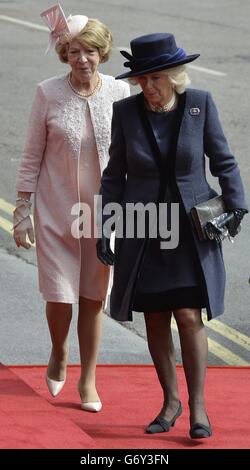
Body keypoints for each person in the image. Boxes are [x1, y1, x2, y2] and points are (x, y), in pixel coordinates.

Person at [96, 33, 248, 437]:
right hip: (144, 228)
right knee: (156, 317)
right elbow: (114, 176)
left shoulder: (200, 105)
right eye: (142, 79)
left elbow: (224, 161)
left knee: (187, 314)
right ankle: (170, 401)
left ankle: (198, 408)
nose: (148, 86)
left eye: (156, 78)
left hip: (190, 229)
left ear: (175, 76)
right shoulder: (126, 113)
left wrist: (237, 205)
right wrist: (104, 227)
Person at [13, 4, 129, 412]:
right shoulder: (47, 92)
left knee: (95, 296)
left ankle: (89, 379)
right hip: (56, 208)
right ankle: (59, 351)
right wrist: (21, 210)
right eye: (75, 51)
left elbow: (129, 155)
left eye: (90, 51)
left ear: (103, 52)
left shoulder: (119, 91)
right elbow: (30, 156)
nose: (83, 59)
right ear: (65, 54)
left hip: (103, 213)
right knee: (61, 295)